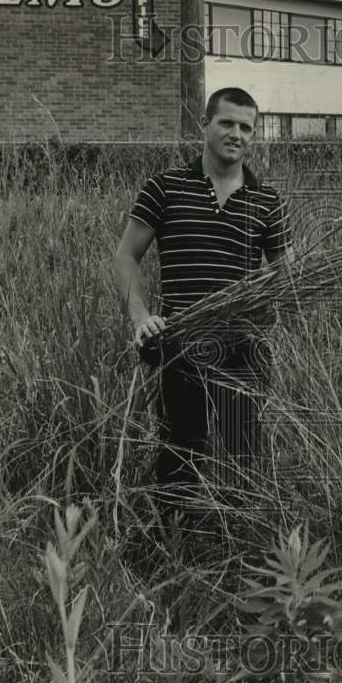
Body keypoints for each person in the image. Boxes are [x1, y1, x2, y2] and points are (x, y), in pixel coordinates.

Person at [113, 87, 292, 511]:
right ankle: (173, 539)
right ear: (204, 124)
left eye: (246, 127)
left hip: (242, 349)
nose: (236, 134)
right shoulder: (165, 188)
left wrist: (267, 308)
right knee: (179, 455)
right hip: (181, 344)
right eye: (226, 123)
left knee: (243, 458)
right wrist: (141, 317)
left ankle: (237, 535)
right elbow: (125, 257)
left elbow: (286, 277)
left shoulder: (267, 201)